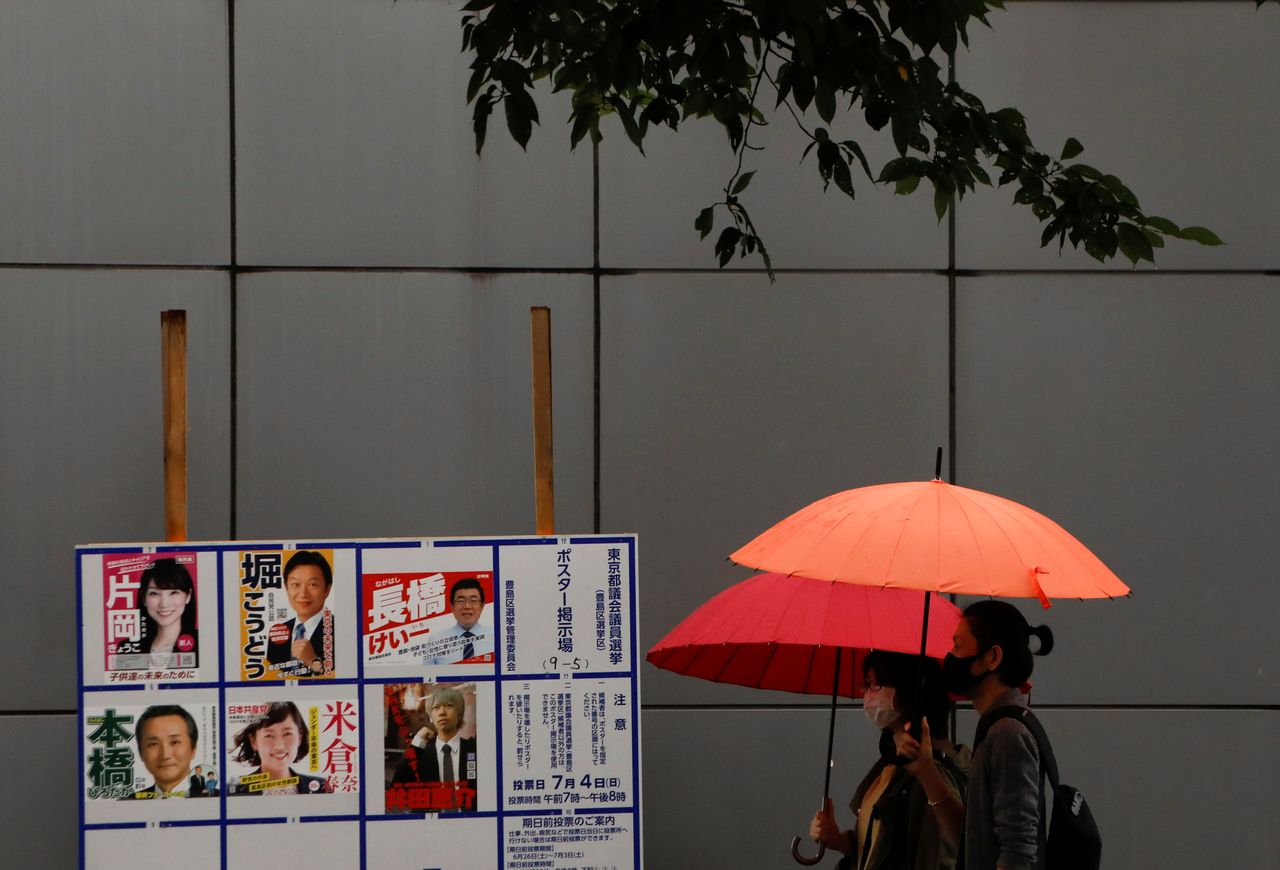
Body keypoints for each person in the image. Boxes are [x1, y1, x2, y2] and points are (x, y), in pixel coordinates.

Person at [896, 600, 1055, 870]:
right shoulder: (997, 727)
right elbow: (970, 838)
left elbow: (1017, 851)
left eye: (958, 646)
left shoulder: (1007, 733)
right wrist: (926, 771)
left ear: (992, 657)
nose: (950, 655)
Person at [808, 651, 966, 869]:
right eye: (866, 685)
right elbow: (880, 847)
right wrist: (837, 840)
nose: (868, 694)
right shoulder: (890, 765)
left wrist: (927, 773)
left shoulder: (930, 773)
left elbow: (941, 852)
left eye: (877, 684)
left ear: (909, 690)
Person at [390, 686, 478, 810]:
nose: (442, 712)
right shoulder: (420, 753)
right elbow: (397, 786)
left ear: (459, 713)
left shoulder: (473, 749)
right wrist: (417, 743)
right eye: (436, 707)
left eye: (448, 706)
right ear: (431, 715)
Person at [230, 701, 331, 795]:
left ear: (299, 737)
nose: (279, 746)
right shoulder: (233, 791)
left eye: (287, 734)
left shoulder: (322, 788)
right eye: (269, 735)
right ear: (253, 741)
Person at [266, 551, 335, 677]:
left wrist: (312, 661)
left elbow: (348, 679)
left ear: (327, 589)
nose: (303, 593)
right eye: (295, 584)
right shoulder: (278, 633)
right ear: (286, 588)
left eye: (312, 584)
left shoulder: (342, 631)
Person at [125, 705, 210, 799]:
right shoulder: (126, 806)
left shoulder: (217, 799)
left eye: (174, 742)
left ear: (193, 748)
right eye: (153, 744)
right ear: (141, 752)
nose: (165, 755)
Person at [136, 558, 198, 665]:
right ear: (143, 598)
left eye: (174, 592)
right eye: (154, 593)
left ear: (188, 596)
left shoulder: (204, 643)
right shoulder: (128, 647)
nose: (164, 604)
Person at [425, 578, 493, 665]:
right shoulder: (436, 640)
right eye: (461, 601)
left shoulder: (495, 638)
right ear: (452, 606)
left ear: (482, 606)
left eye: (473, 601)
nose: (467, 606)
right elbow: (427, 675)